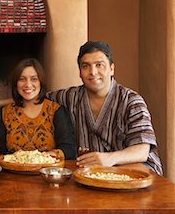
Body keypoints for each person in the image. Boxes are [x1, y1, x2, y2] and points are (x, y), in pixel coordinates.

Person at [47, 41, 163, 175]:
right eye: (86, 66)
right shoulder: (68, 97)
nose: (93, 72)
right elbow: (37, 98)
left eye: (99, 65)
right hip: (90, 173)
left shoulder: (131, 101)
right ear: (79, 72)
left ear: (112, 69)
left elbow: (142, 150)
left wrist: (109, 158)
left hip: (135, 170)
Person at [0, 58, 76, 160]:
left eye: (34, 79)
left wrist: (51, 155)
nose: (28, 84)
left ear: (41, 82)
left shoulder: (56, 111)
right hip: (12, 173)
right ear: (16, 83)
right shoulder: (4, 113)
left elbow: (69, 148)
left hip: (47, 172)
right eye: (22, 79)